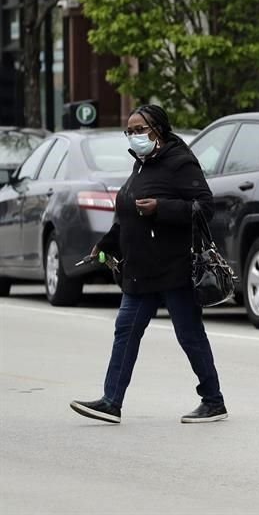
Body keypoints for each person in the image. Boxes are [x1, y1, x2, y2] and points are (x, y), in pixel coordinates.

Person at [70, 105, 227, 425]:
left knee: (189, 334)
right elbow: (127, 216)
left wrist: (161, 208)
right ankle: (111, 402)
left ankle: (213, 400)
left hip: (175, 268)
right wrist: (106, 244)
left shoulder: (179, 162)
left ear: (159, 129)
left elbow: (204, 207)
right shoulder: (140, 166)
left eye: (140, 129)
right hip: (139, 271)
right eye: (129, 130)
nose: (134, 135)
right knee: (125, 331)